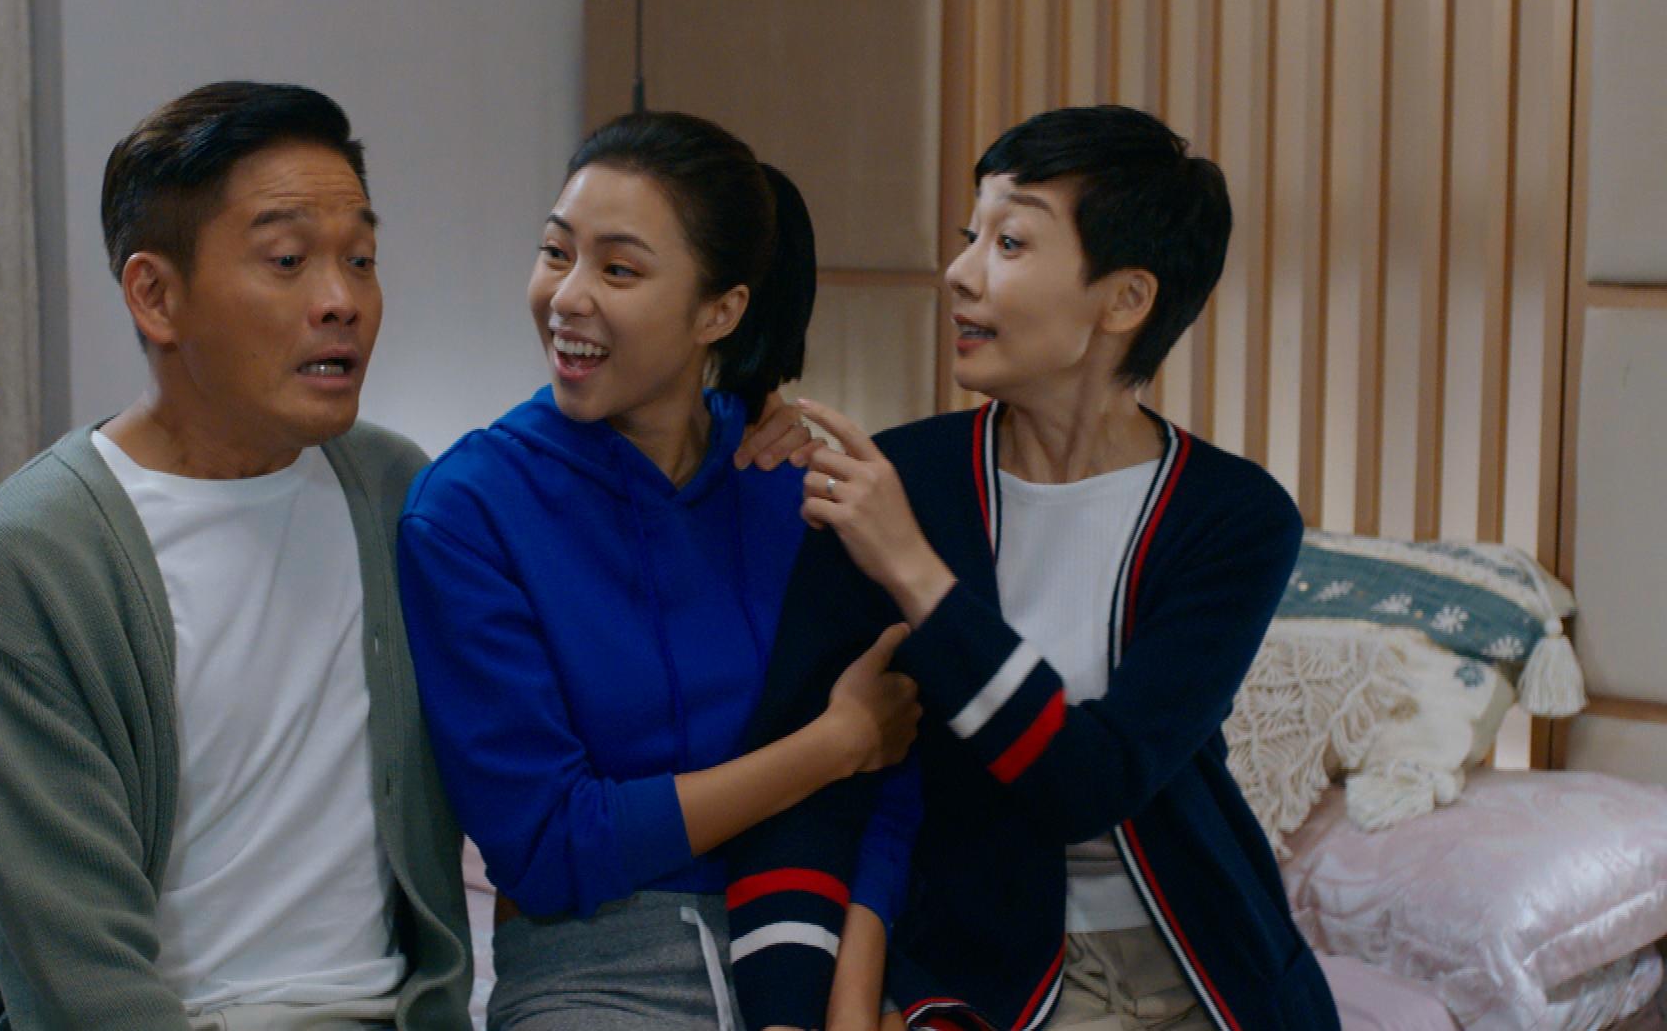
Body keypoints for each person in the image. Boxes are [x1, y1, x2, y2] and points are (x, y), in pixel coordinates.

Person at [727, 105, 1339, 1031]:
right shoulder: (898, 480)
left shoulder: (1233, 518)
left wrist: (915, 572)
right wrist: (789, 1013)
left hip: (1206, 968)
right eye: (969, 236)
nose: (960, 273)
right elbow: (804, 787)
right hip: (982, 974)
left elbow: (1092, 782)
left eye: (1009, 243)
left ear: (1124, 300)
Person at [0, 82, 472, 1031]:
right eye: (288, 260)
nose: (342, 301)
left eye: (361, 259)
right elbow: (75, 972)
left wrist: (733, 416)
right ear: (156, 296)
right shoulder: (38, 554)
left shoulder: (395, 491)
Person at [397, 110, 924, 1031]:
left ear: (720, 310)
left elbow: (897, 760)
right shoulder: (469, 510)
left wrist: (855, 990)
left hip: (822, 941)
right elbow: (546, 847)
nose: (567, 296)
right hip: (596, 976)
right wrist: (830, 746)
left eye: (618, 269)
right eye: (556, 253)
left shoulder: (795, 485)